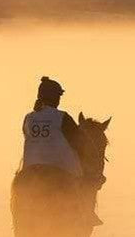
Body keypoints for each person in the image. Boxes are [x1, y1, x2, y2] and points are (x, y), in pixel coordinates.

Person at [20, 76, 102, 227]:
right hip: (62, 169)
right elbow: (81, 144)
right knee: (85, 187)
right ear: (55, 97)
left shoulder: (28, 118)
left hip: (30, 169)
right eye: (58, 96)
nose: (59, 100)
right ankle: (87, 216)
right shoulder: (62, 117)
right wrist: (92, 164)